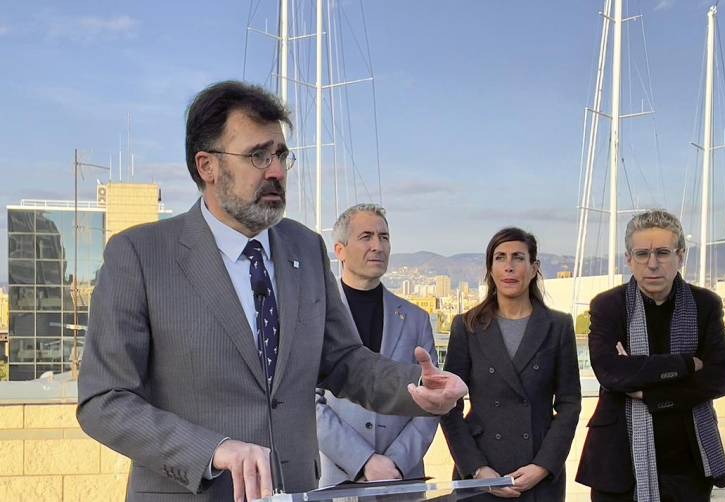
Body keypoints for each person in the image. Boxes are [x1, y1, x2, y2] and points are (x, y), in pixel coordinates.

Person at [76, 80, 466, 502]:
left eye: (280, 155)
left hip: (296, 492)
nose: (276, 171)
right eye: (257, 156)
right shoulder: (139, 255)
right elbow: (104, 400)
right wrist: (213, 450)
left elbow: (343, 362)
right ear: (207, 166)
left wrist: (417, 387)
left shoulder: (305, 247)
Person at [575, 209, 725, 502]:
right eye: (641, 254)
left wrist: (649, 394)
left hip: (687, 463)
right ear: (628, 259)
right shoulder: (608, 306)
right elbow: (610, 372)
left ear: (681, 256)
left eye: (662, 253)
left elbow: (722, 377)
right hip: (617, 464)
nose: (652, 264)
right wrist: (688, 363)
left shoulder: (704, 305)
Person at [440, 227, 581, 501]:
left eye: (518, 257)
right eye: (500, 257)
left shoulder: (558, 326)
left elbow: (570, 402)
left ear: (533, 267)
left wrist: (542, 466)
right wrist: (477, 469)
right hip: (480, 475)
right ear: (490, 269)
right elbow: (449, 406)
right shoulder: (466, 326)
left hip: (538, 473)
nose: (509, 266)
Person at [316, 203, 439, 486]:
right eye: (366, 236)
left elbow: (431, 400)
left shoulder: (416, 319)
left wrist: (395, 462)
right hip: (335, 480)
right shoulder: (314, 314)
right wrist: (363, 461)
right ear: (340, 251)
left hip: (401, 480)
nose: (378, 246)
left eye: (384, 237)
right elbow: (307, 401)